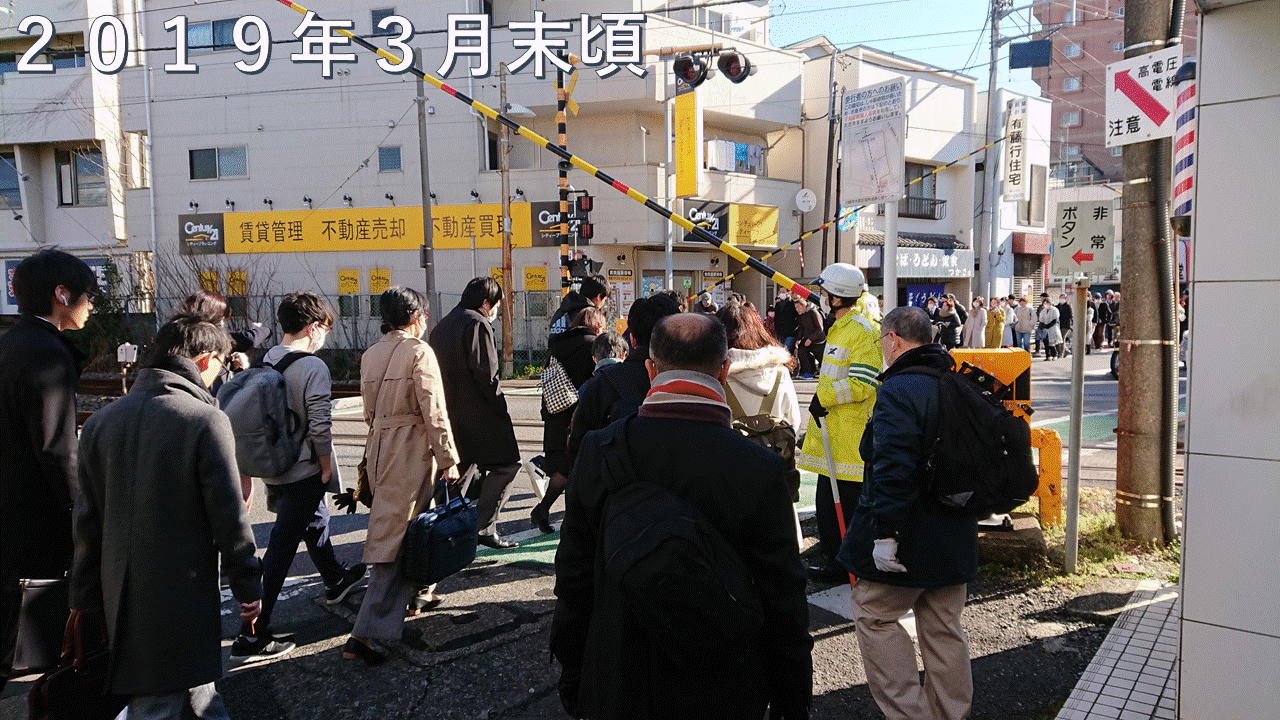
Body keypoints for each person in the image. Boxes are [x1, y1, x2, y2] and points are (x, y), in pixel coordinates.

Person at [551, 313, 812, 720]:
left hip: (622, 671)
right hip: (726, 682)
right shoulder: (759, 469)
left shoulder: (601, 450)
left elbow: (574, 575)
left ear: (651, 369)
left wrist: (573, 667)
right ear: (724, 369)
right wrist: (791, 696)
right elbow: (784, 595)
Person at [71, 315, 263, 719]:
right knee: (157, 702)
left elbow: (87, 522)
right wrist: (248, 584)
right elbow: (229, 518)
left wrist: (84, 599)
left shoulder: (100, 423)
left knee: (197, 695)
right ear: (207, 360)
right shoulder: (203, 419)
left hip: (118, 593)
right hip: (181, 592)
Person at [839, 306, 978, 720]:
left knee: (874, 614)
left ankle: (910, 714)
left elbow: (893, 467)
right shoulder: (959, 381)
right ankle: (952, 714)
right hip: (955, 532)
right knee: (943, 625)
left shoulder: (899, 389)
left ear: (893, 340)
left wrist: (886, 536)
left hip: (908, 534)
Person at [232, 291, 364, 662]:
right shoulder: (312, 367)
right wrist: (325, 466)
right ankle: (252, 633)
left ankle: (335, 580)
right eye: (325, 328)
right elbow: (320, 424)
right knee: (280, 548)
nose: (326, 336)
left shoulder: (266, 359)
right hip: (303, 468)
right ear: (313, 327)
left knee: (314, 519)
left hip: (274, 465)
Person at [346, 287, 461, 665]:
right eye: (424, 315)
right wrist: (448, 458)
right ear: (415, 317)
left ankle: (418, 595)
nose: (425, 322)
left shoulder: (370, 354)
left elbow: (367, 412)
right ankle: (362, 635)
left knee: (403, 530)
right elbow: (435, 409)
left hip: (379, 449)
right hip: (410, 449)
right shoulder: (419, 352)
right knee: (395, 539)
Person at [0, 249, 97, 692]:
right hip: (32, 516)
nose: (92, 305)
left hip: (9, 505)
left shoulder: (12, 343)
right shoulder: (47, 354)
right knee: (27, 639)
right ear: (62, 295)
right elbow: (59, 451)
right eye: (88, 295)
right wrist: (85, 515)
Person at [796, 264, 881, 581]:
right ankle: (837, 560)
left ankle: (848, 566)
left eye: (823, 292)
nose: (819, 296)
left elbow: (863, 383)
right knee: (828, 509)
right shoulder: (841, 327)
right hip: (833, 435)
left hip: (849, 441)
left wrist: (826, 397)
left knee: (845, 509)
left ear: (835, 297)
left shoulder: (861, 331)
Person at [429, 277, 523, 550]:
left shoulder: (441, 326)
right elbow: (486, 376)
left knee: (457, 471)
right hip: (479, 414)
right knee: (507, 465)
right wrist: (500, 409)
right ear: (485, 303)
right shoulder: (477, 324)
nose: (495, 312)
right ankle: (482, 526)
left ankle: (446, 529)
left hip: (449, 413)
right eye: (495, 306)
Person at [566, 293, 681, 473]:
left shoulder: (602, 382)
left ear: (632, 339)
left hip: (617, 493)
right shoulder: (690, 381)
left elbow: (578, 452)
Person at [532, 306, 607, 534]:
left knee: (565, 469)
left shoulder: (556, 344)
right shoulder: (592, 345)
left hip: (556, 413)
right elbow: (593, 381)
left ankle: (544, 511)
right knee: (572, 469)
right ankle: (550, 513)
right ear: (597, 325)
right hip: (577, 414)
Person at [717, 302, 801, 430]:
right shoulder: (780, 371)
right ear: (758, 331)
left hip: (730, 448)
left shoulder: (717, 375)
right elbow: (794, 422)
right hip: (773, 449)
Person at [793, 293, 826, 378]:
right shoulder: (801, 316)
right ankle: (808, 372)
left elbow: (820, 328)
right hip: (808, 340)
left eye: (798, 307)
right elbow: (801, 328)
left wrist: (810, 339)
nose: (797, 310)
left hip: (819, 340)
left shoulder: (813, 312)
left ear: (803, 305)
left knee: (822, 358)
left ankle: (823, 373)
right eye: (795, 308)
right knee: (802, 351)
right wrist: (799, 339)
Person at [1038, 294, 1064, 361]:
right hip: (1045, 329)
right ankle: (1048, 355)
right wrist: (1043, 326)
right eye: (1044, 303)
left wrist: (1048, 325)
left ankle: (1054, 354)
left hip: (1052, 328)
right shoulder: (1043, 311)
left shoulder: (1055, 310)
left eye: (1047, 303)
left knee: (1052, 343)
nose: (1046, 305)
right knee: (1046, 342)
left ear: (1050, 303)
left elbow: (1055, 319)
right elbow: (1041, 319)